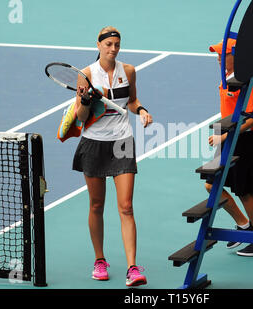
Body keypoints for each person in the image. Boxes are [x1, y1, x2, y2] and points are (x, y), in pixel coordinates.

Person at [73, 26, 153, 287]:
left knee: (126, 206)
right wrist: (85, 101)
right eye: (108, 44)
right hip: (94, 144)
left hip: (122, 142)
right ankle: (100, 260)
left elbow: (131, 100)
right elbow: (81, 117)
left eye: (117, 44)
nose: (113, 49)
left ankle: (133, 268)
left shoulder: (128, 71)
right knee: (96, 205)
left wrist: (141, 110)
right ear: (98, 45)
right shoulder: (85, 75)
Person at [206, 39, 253, 257]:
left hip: (243, 140)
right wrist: (223, 132)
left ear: (234, 56)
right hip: (229, 138)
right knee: (212, 186)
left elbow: (252, 119)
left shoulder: (244, 80)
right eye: (217, 55)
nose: (218, 58)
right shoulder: (227, 78)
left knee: (245, 193)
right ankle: (244, 225)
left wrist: (226, 134)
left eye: (222, 54)